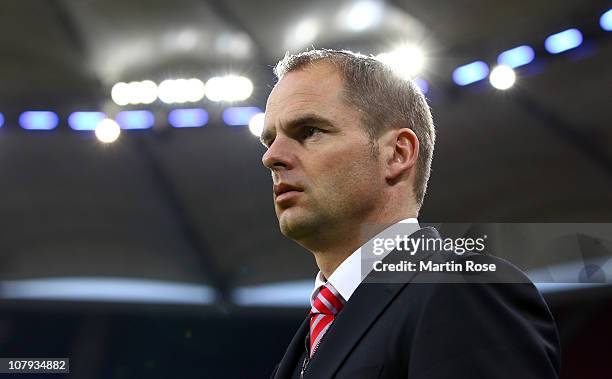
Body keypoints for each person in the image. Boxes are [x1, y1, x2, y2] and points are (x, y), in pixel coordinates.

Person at [261, 49, 560, 379]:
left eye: (309, 131)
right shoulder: (304, 347)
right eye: (270, 140)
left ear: (396, 154)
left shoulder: (463, 290)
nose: (272, 157)